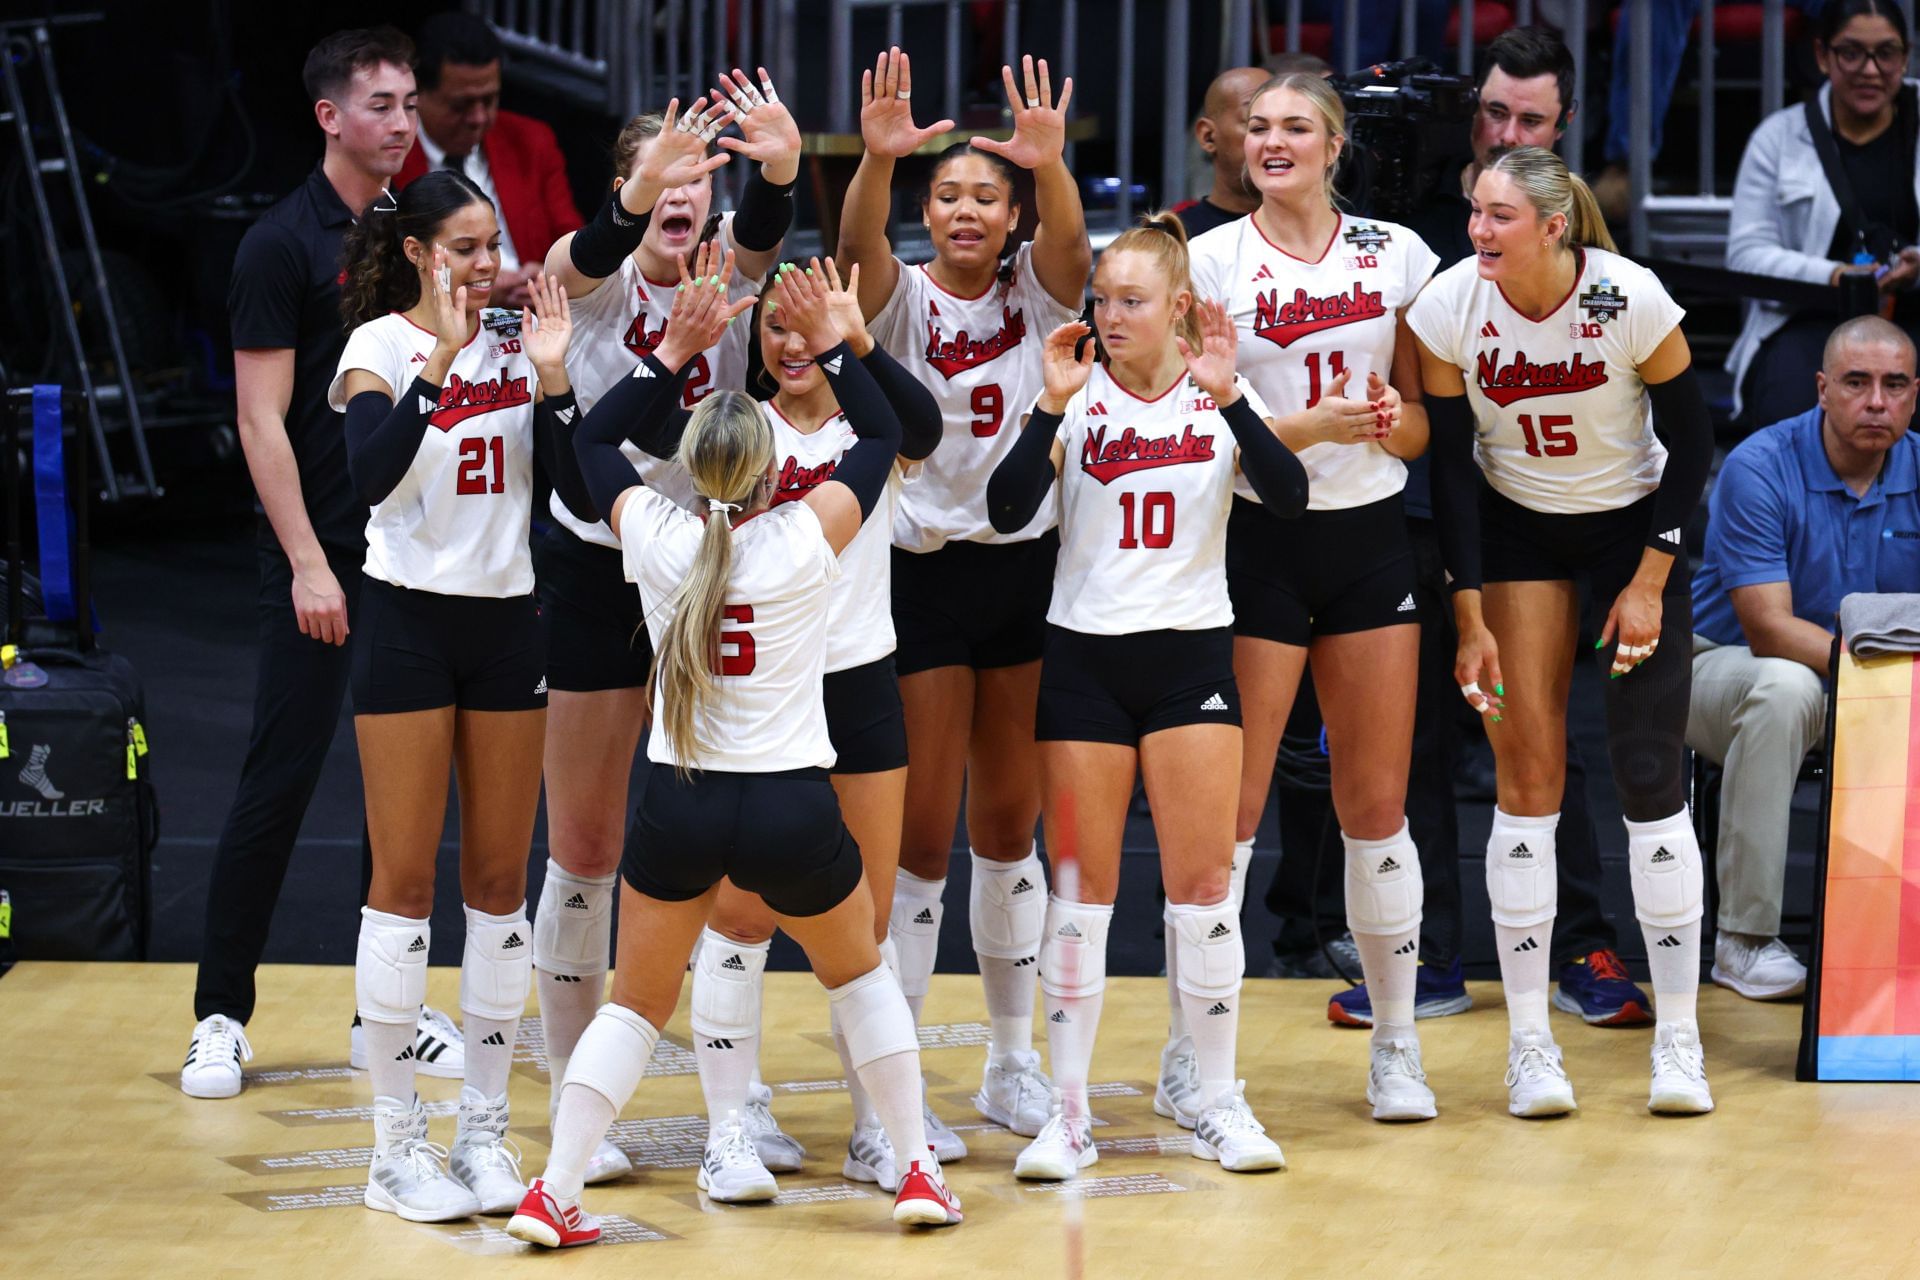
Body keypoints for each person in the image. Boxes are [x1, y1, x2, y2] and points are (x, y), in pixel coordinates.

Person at [506, 260, 963, 1246]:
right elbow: (888, 436)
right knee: (860, 972)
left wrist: (649, 357)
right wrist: (846, 333)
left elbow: (588, 442)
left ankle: (553, 1186)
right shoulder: (806, 539)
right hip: (791, 801)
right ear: (768, 468)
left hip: (682, 803)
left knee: (633, 1006)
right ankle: (916, 1166)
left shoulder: (662, 540)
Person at [614, 250, 948, 1197]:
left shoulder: (867, 419)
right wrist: (687, 342)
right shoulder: (733, 430)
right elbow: (629, 435)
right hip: (756, 702)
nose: (792, 340)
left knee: (866, 925)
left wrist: (851, 341)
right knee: (738, 919)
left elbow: (922, 427)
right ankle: (732, 1124)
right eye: (776, 325)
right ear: (753, 344)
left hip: (856, 679)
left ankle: (879, 1131)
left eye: (807, 323)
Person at [986, 214, 1306, 1177]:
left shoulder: (1217, 396)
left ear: (1180, 308)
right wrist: (1046, 408)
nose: (1111, 315)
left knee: (1205, 889)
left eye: (1133, 301)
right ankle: (1070, 1113)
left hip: (1190, 660)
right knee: (1081, 894)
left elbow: (1290, 499)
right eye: (1103, 299)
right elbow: (1005, 512)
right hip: (1083, 663)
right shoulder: (1075, 398)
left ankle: (1213, 1096)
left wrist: (1237, 397)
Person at [181, 26, 466, 1101]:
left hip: (411, 552)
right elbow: (260, 422)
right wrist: (307, 562)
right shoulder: (281, 243)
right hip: (320, 556)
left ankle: (379, 1015)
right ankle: (219, 1012)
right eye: (382, 105)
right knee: (280, 781)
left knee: (403, 798)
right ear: (329, 117)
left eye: (409, 104)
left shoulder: (419, 229)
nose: (403, 122)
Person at [1409, 145, 1717, 1117]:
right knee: (1526, 773)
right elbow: (1452, 472)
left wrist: (1654, 579)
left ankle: (1679, 1039)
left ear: (1554, 225)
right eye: (1473, 212)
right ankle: (1531, 1045)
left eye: (1500, 216)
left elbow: (1695, 440)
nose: (1478, 231)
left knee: (1645, 769)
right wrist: (1468, 610)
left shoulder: (1628, 295)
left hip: (1631, 528)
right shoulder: (1450, 305)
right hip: (1514, 530)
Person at [530, 73, 798, 1186]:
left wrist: (780, 166)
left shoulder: (733, 267)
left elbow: (769, 224)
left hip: (702, 568)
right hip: (598, 563)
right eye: (662, 175)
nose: (686, 193)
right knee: (588, 845)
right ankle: (569, 1092)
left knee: (721, 833)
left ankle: (738, 1092)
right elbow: (594, 247)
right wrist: (641, 213)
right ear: (630, 188)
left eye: (703, 174)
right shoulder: (573, 279)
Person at [1362, 24, 1654, 1033]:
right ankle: (1434, 952)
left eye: (1531, 118)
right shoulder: (1417, 223)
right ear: (1470, 111)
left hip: (1531, 512)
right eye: (1494, 112)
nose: (1507, 129)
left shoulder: (1583, 250)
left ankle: (1579, 942)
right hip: (1418, 497)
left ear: (1562, 127)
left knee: (1535, 729)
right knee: (1422, 739)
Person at [836, 47, 1093, 1140]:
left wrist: (1056, 167)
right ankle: (886, 1097)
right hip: (925, 575)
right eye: (948, 196)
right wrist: (877, 163)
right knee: (920, 837)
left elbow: (1074, 249)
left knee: (1009, 827)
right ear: (928, 211)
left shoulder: (1040, 290)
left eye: (988, 195)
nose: (968, 212)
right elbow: (854, 247)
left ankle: (1006, 1061)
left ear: (1011, 211)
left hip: (1026, 568)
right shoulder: (897, 297)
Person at [328, 169, 585, 1219]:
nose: (491, 265)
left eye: (494, 245)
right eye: (469, 248)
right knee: (401, 883)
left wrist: (557, 379)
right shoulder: (379, 349)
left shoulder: (520, 343)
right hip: (406, 622)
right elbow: (372, 478)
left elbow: (568, 489)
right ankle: (395, 1148)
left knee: (497, 884)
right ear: (421, 253)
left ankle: (482, 1129)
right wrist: (437, 359)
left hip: (504, 619)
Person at [1187, 72, 1442, 1123]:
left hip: (1372, 540)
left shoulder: (1400, 253)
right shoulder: (1208, 260)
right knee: (1232, 816)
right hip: (1256, 539)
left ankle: (1397, 1045)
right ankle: (1200, 1059)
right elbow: (1196, 430)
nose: (1273, 141)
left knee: (1375, 808)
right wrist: (1309, 428)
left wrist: (1382, 420)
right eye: (1260, 128)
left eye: (1297, 127)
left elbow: (1427, 424)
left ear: (1336, 144)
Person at [1690, 316, 1920, 999]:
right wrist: (1891, 681)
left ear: (1914, 395)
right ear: (1822, 389)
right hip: (1721, 668)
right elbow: (1769, 630)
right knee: (1787, 686)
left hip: (1867, 678)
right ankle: (1744, 940)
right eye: (1857, 382)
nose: (1876, 401)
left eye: (1894, 385)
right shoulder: (1761, 465)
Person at [1727, 0, 1920, 428]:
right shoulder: (1777, 138)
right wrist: (1835, 275)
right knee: (1794, 419)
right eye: (1851, 52)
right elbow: (1745, 255)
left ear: (1905, 56)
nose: (1870, 70)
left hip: (1911, 314)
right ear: (1822, 55)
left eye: (1885, 53)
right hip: (1810, 319)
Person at [396, 11, 582, 309]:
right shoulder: (392, 158)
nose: (479, 118)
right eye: (462, 104)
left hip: (532, 320)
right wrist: (469, 291)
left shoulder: (531, 140)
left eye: (489, 100)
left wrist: (550, 274)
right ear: (417, 93)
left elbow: (573, 241)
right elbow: (389, 276)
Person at [1170, 66, 1270, 238]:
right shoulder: (1171, 240)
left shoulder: (1325, 234)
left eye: (1292, 128)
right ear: (1208, 136)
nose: (1276, 140)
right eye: (1257, 125)